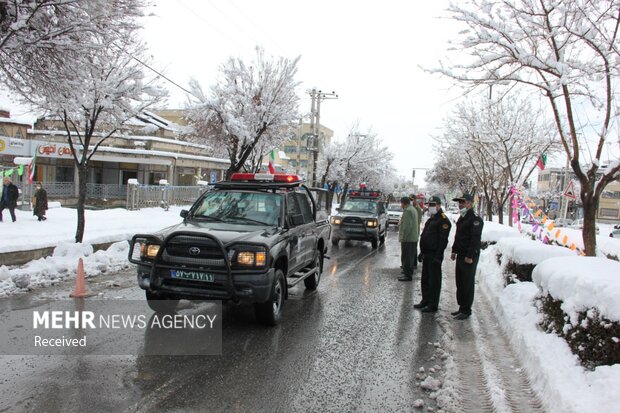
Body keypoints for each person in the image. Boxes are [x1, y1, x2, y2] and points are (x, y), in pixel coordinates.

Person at [415, 196, 452, 313]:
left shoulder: (443, 220)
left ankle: (433, 304)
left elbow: (443, 240)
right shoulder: (432, 219)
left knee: (434, 281)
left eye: (433, 204)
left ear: (439, 205)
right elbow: (425, 235)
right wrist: (422, 252)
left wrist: (438, 256)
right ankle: (425, 300)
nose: (431, 207)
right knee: (425, 279)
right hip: (427, 253)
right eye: (429, 204)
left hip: (434, 254)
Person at [450, 193, 484, 320]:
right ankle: (461, 307)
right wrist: (454, 250)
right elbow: (458, 237)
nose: (460, 205)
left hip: (468, 256)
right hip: (460, 254)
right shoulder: (462, 218)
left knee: (467, 283)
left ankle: (466, 309)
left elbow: (474, 240)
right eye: (459, 203)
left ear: (470, 204)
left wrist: (469, 256)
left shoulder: (475, 220)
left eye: (463, 202)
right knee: (460, 281)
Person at [398, 196, 419, 281]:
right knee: (409, 257)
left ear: (403, 203)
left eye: (401, 203)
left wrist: (403, 237)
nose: (401, 205)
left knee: (406, 257)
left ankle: (407, 275)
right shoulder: (413, 209)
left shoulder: (407, 211)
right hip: (413, 237)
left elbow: (407, 226)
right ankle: (408, 273)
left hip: (408, 238)